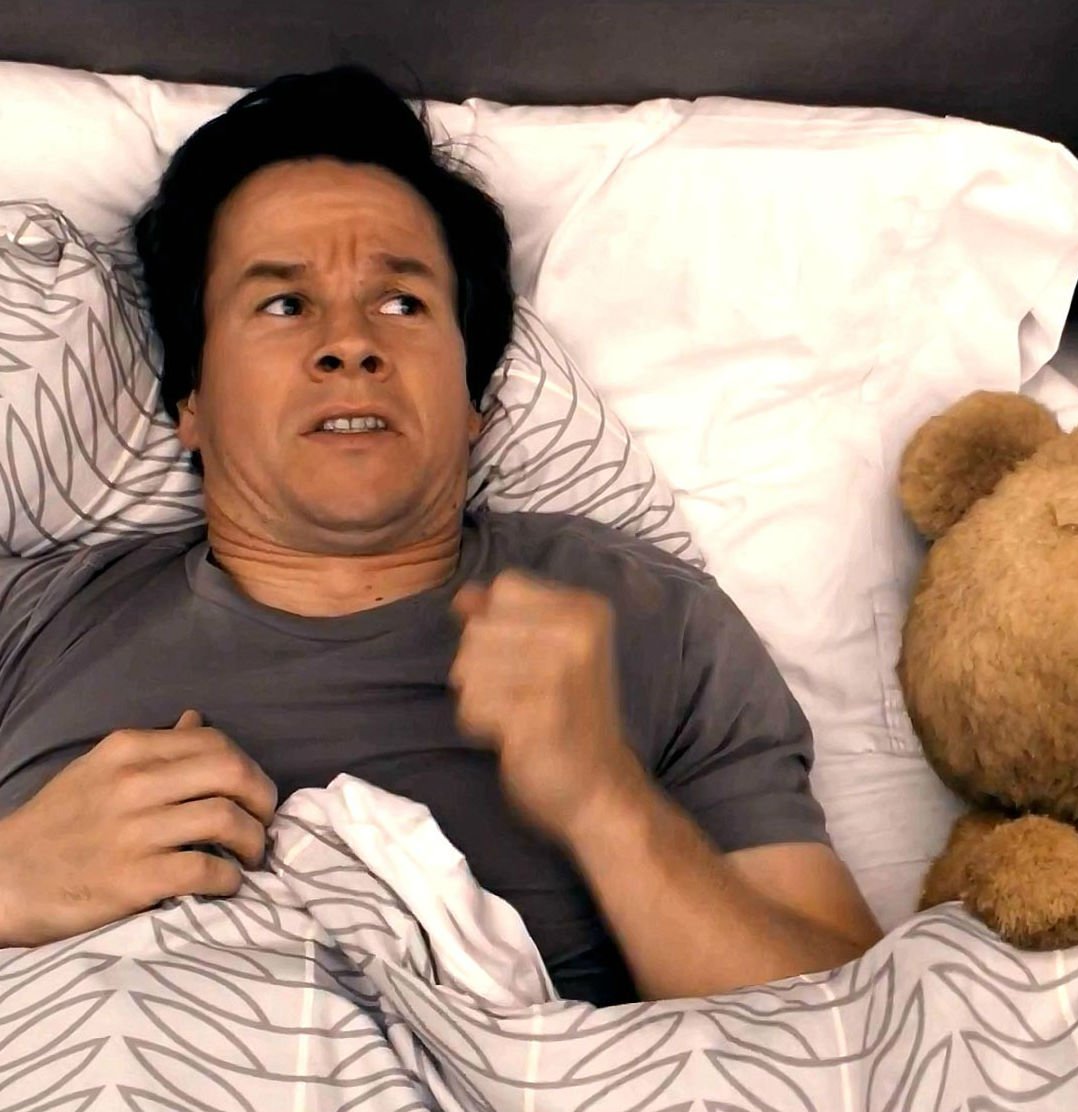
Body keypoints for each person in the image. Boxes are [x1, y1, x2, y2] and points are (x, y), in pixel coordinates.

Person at [0, 66, 881, 1005]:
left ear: (472, 403)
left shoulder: (654, 625)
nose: (350, 343)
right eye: (285, 304)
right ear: (192, 401)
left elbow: (855, 1028)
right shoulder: (34, 623)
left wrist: (607, 803)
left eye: (402, 303)